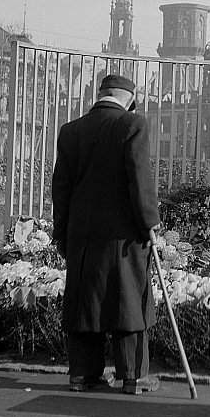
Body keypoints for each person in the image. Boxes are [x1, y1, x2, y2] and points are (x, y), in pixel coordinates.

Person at [52, 74, 162, 395]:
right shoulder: (133, 125)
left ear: (100, 95)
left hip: (82, 236)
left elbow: (61, 190)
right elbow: (140, 183)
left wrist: (62, 237)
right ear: (129, 98)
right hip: (123, 237)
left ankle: (82, 375)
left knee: (86, 301)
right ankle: (133, 377)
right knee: (128, 301)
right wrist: (149, 224)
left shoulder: (70, 131)